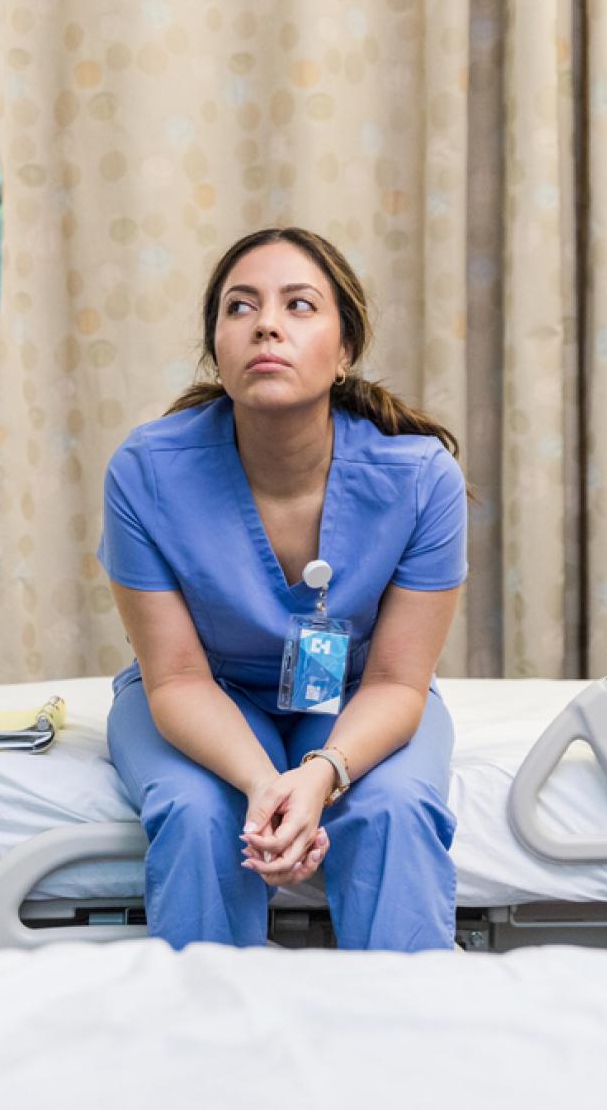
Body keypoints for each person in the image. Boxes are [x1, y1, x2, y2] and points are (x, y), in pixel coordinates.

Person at [99, 226, 469, 951]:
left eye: (299, 305)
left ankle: (412, 1042)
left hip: (360, 697)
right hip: (203, 697)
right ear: (217, 347)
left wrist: (324, 773)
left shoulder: (421, 480)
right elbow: (174, 677)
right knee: (196, 809)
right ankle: (208, 1044)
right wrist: (267, 786)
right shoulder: (146, 472)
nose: (266, 322)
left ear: (346, 350)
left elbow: (398, 681)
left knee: (392, 806)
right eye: (240, 307)